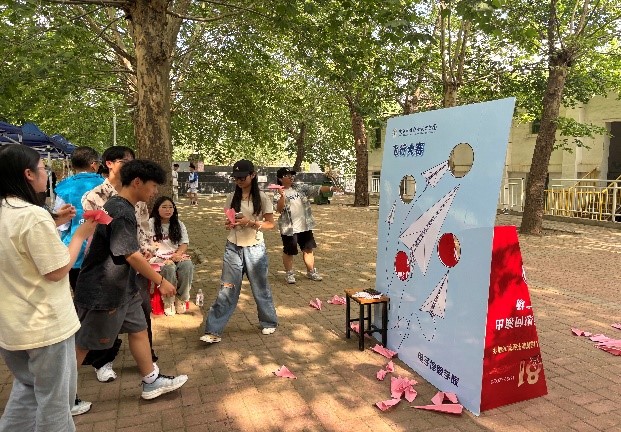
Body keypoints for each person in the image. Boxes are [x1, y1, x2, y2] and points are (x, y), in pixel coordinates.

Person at [0, 144, 97, 431]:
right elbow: (56, 270)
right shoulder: (32, 215)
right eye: (43, 168)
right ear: (28, 174)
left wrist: (54, 220)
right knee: (56, 404)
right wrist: (80, 235)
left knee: (28, 392)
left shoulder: (10, 212)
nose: (47, 173)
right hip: (45, 327)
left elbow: (18, 248)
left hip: (12, 328)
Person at [74, 159, 188, 400]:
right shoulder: (121, 210)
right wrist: (161, 281)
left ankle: (151, 380)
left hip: (124, 287)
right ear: (137, 182)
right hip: (103, 290)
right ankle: (59, 399)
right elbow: (130, 255)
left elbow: (124, 248)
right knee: (83, 344)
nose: (155, 192)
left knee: (139, 329)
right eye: (153, 186)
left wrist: (138, 253)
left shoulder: (121, 206)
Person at [200, 159, 278, 343]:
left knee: (260, 287)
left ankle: (269, 321)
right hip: (233, 246)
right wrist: (230, 224)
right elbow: (229, 220)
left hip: (255, 248)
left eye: (243, 177)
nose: (239, 181)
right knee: (227, 288)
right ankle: (213, 330)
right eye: (236, 178)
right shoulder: (231, 197)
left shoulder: (262, 198)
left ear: (252, 175)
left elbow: (270, 224)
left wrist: (250, 222)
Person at [273, 167, 341, 284]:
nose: (291, 177)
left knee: (308, 249)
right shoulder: (277, 193)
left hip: (304, 226)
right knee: (289, 251)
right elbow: (278, 210)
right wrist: (282, 196)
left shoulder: (300, 188)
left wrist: (331, 188)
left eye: (292, 175)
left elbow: (316, 188)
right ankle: (289, 274)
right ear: (280, 178)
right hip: (289, 228)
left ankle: (311, 272)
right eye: (287, 175)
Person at [53, 146, 104, 289]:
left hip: (73, 252)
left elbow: (61, 224)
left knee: (78, 291)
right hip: (102, 250)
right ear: (94, 164)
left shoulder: (64, 187)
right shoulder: (106, 185)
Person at [149, 196, 194, 316]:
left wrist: (177, 255)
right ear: (157, 209)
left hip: (175, 255)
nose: (168, 210)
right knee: (169, 268)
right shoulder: (150, 223)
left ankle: (181, 298)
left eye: (170, 207)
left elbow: (184, 243)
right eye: (164, 207)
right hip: (156, 256)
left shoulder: (179, 224)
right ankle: (168, 301)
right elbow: (149, 245)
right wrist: (163, 257)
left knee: (187, 265)